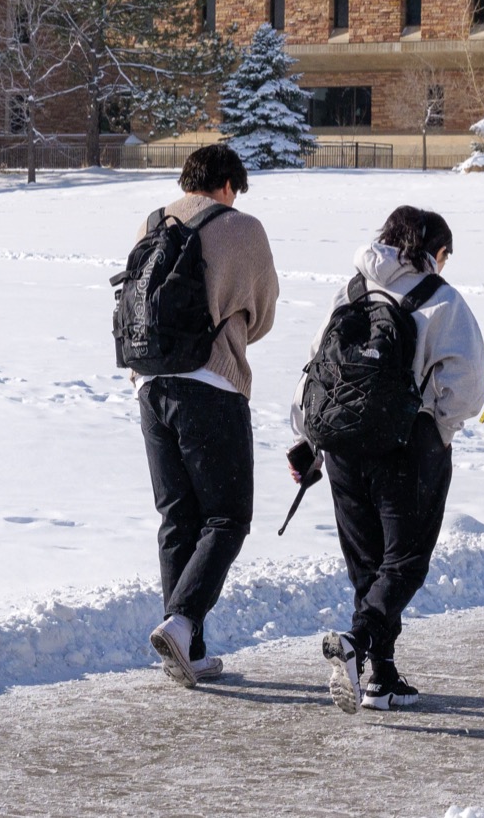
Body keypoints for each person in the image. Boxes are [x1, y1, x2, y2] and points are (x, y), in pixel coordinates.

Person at [292, 206, 484, 713]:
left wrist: (312, 438)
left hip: (342, 449)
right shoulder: (442, 300)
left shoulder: (351, 291)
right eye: (445, 254)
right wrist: (436, 429)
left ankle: (381, 674)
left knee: (367, 564)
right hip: (406, 447)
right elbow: (465, 388)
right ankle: (357, 644)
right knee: (404, 561)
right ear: (433, 251)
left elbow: (317, 365)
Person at [131, 142, 279, 687]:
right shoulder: (242, 227)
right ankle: (183, 620)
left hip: (149, 385)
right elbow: (262, 310)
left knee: (177, 519)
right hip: (211, 383)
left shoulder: (152, 223)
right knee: (228, 518)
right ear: (227, 186)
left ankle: (187, 651)